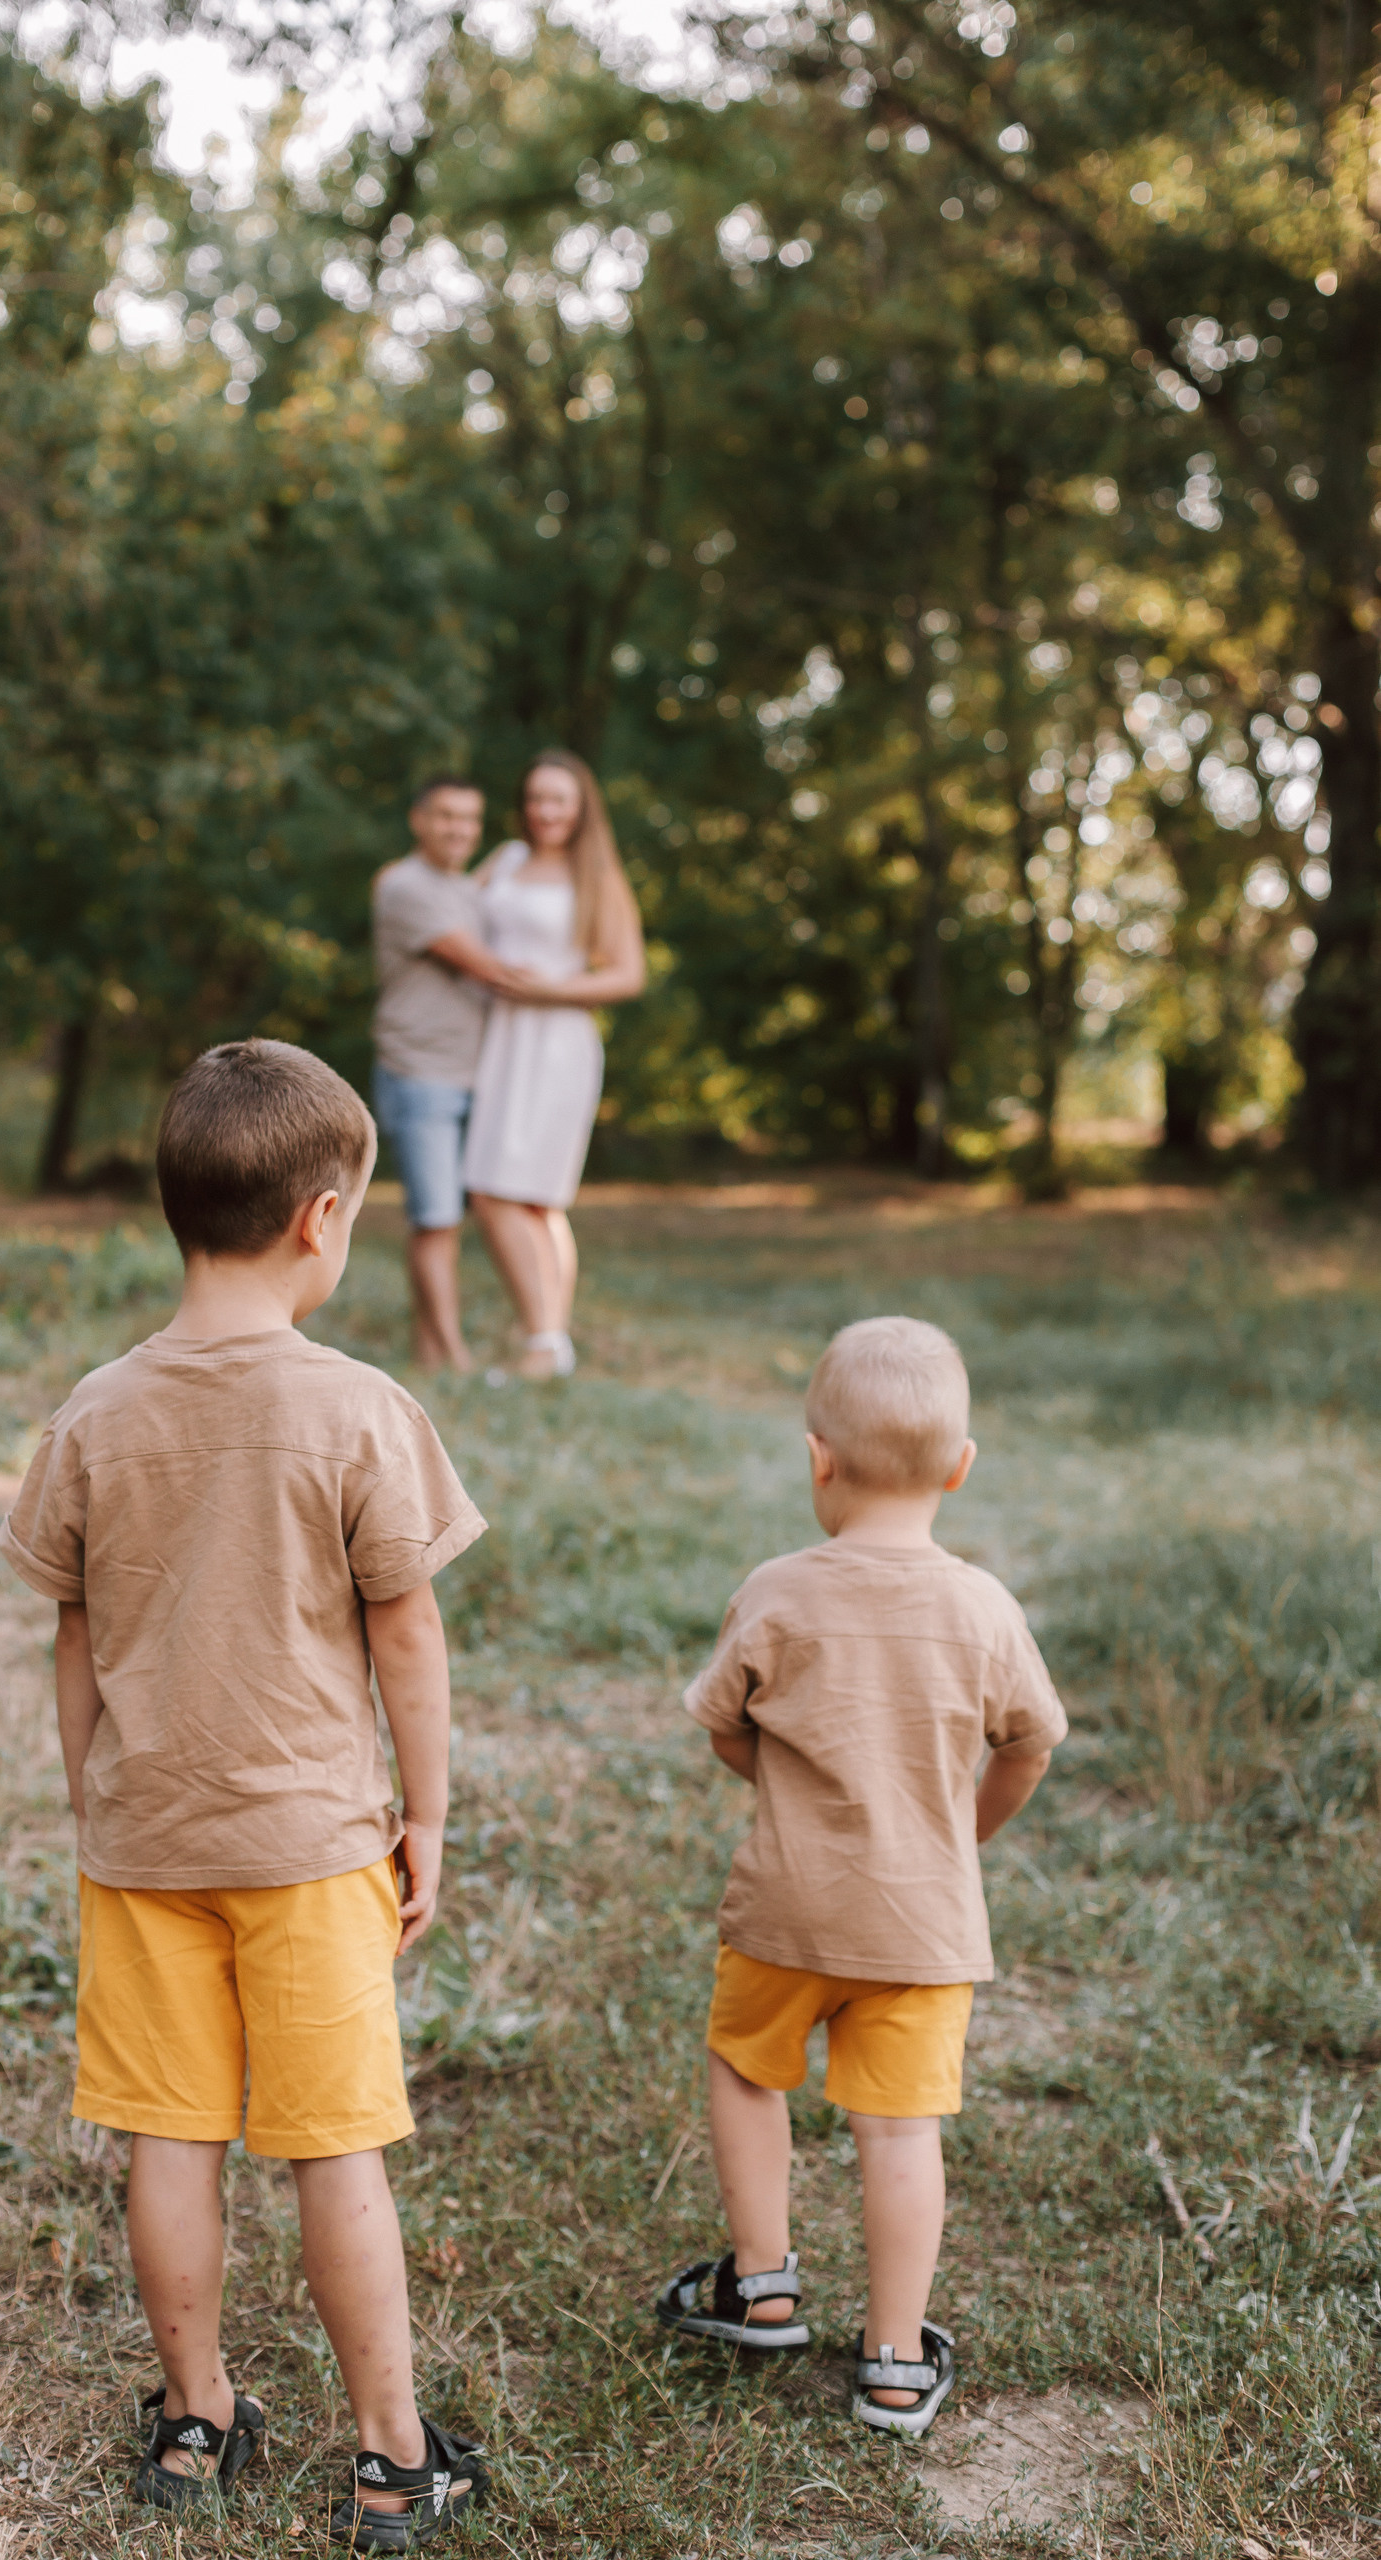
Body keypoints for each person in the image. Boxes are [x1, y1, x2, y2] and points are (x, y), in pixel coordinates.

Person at [0, 1039, 493, 2548]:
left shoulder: (94, 1411)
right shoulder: (359, 1409)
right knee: (334, 2151)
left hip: (145, 1841)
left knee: (170, 2137)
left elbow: (73, 1634)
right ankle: (391, 2456)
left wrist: (95, 1800)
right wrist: (425, 1817)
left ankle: (196, 2416)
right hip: (311, 1847)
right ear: (320, 1220)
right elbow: (407, 1634)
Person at [655, 1317, 1065, 2438]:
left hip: (784, 1907)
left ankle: (761, 2282)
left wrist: (785, 1785)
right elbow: (1030, 1746)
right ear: (961, 1466)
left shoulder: (777, 1589)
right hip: (922, 1925)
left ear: (817, 1459)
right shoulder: (983, 1608)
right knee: (898, 2131)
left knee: (746, 2070)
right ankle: (891, 2358)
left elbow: (724, 1727)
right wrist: (959, 1830)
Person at [463, 751, 647, 1380]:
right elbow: (453, 908)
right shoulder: (506, 860)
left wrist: (550, 989)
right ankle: (548, 1343)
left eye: (559, 800)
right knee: (519, 1197)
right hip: (501, 1035)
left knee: (515, 1193)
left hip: (557, 1040)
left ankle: (543, 1341)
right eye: (537, 798)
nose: (546, 811)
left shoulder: (596, 874)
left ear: (581, 807)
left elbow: (628, 974)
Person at [371, 776, 537, 1372]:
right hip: (420, 1071)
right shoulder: (405, 886)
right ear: (418, 820)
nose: (459, 829)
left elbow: (483, 879)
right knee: (436, 1220)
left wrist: (515, 853)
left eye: (470, 818)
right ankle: (456, 1361)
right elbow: (488, 969)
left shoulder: (461, 887)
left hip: (472, 1073)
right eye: (445, 816)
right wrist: (585, 989)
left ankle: (428, 1352)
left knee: (444, 1221)